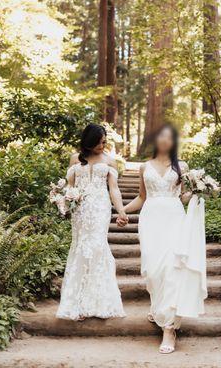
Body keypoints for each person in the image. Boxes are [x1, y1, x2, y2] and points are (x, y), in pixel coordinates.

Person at [117, 124, 207, 354]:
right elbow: (141, 197)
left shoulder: (181, 166)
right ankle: (158, 305)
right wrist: (123, 211)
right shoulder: (145, 166)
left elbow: (184, 196)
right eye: (161, 136)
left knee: (171, 268)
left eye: (169, 136)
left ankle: (169, 328)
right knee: (153, 269)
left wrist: (198, 188)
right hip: (150, 221)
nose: (164, 140)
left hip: (175, 218)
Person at [57, 123, 128, 321]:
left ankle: (99, 301)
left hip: (100, 208)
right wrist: (65, 203)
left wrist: (121, 211)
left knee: (97, 247)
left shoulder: (110, 160)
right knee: (80, 247)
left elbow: (113, 189)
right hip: (79, 210)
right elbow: (70, 187)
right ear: (88, 142)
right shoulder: (74, 158)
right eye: (97, 142)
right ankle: (77, 303)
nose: (101, 145)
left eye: (104, 142)